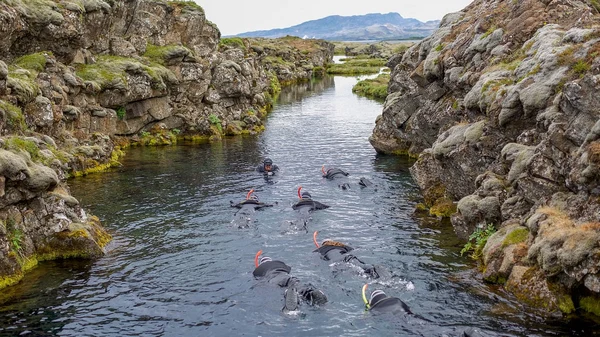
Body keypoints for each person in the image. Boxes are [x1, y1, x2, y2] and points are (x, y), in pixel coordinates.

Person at [253, 250, 328, 312]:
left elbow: (258, 278)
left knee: (281, 291)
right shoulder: (278, 262)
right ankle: (310, 293)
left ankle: (289, 297)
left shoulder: (258, 270)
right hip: (286, 276)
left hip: (273, 279)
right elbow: (288, 269)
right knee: (298, 286)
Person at [312, 231, 387, 279]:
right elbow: (353, 250)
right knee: (362, 266)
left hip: (337, 262)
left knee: (357, 272)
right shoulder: (341, 246)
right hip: (348, 257)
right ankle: (374, 269)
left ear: (323, 245)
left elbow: (316, 259)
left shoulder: (319, 250)